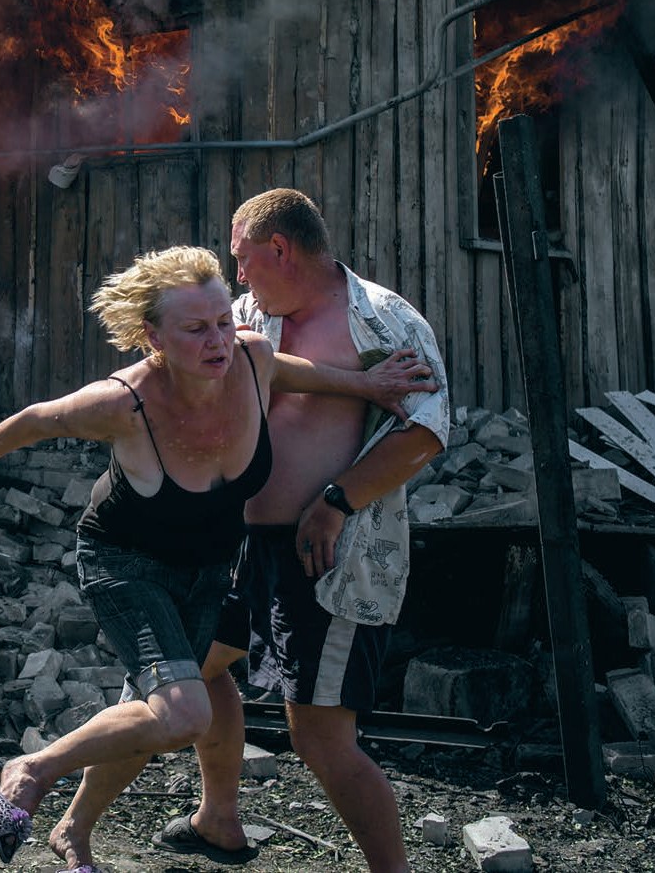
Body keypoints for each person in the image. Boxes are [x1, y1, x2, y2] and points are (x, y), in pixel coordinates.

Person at [0, 245, 434, 872]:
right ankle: (29, 769)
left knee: (164, 703)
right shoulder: (122, 402)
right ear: (154, 337)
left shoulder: (251, 358)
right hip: (127, 564)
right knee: (181, 712)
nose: (219, 341)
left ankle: (108, 827)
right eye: (196, 329)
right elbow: (33, 421)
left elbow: (294, 372)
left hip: (209, 568)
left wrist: (365, 384)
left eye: (223, 322)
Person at [165, 189, 448, 873]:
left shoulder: (382, 320)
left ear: (280, 249)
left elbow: (428, 430)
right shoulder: (246, 315)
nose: (238, 275)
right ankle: (219, 819)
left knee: (319, 734)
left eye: (243, 259)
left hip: (327, 555)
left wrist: (336, 502)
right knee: (194, 668)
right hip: (237, 547)